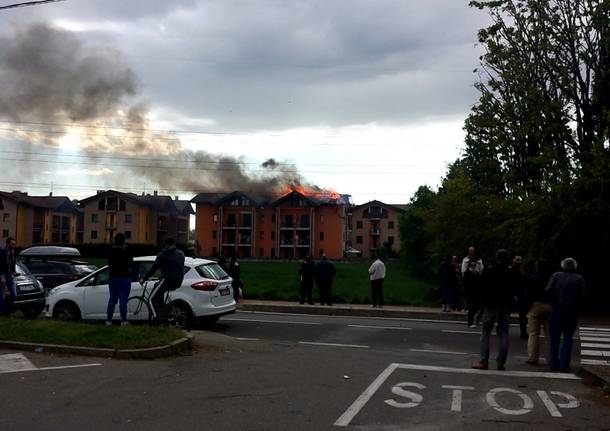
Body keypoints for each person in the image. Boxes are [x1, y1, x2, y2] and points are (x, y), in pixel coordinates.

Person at [472, 249, 517, 371]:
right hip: (505, 305)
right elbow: (514, 288)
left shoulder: (489, 270)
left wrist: (483, 304)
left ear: (496, 257)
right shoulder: (510, 272)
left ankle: (483, 361)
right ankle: (501, 362)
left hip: (490, 304)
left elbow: (481, 287)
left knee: (486, 333)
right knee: (503, 333)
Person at [546, 258, 586, 373]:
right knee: (568, 339)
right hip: (571, 312)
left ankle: (554, 363)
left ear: (563, 265)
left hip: (556, 310)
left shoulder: (556, 275)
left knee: (554, 339)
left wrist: (553, 301)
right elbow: (582, 296)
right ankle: (564, 365)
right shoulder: (579, 278)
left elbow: (548, 290)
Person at [140, 237, 185, 322]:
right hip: (178, 280)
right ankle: (162, 310)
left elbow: (153, 268)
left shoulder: (163, 254)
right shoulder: (181, 253)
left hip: (167, 280)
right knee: (157, 286)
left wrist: (144, 278)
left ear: (165, 245)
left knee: (151, 299)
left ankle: (156, 319)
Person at [525, 258, 552, 365]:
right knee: (549, 334)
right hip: (549, 305)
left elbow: (528, 294)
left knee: (533, 333)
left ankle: (532, 357)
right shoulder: (551, 277)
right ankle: (550, 357)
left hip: (536, 305)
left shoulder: (533, 278)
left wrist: (528, 307)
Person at [106, 233, 134, 326]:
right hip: (125, 278)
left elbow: (109, 264)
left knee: (112, 300)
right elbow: (131, 265)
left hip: (113, 278)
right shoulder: (127, 251)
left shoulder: (110, 251)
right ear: (123, 241)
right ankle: (124, 321)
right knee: (123, 301)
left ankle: (109, 321)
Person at [511, 255, 528, 340]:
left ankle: (523, 332)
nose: (518, 261)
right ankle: (523, 332)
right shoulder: (512, 270)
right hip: (514, 293)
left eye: (519, 259)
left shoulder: (522, 270)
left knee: (522, 315)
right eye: (517, 259)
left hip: (520, 293)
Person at [0, 237, 19, 313]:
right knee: (2, 296)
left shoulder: (12, 252)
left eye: (14, 244)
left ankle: (9, 311)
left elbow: (12, 264)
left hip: (10, 276)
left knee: (14, 295)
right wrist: (1, 276)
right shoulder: (2, 252)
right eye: (12, 244)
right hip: (3, 276)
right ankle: (2, 312)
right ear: (8, 243)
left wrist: (14, 272)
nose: (14, 245)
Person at [463, 259, 482, 327]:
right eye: (472, 265)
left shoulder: (476, 273)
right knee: (471, 307)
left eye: (474, 265)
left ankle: (471, 317)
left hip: (476, 293)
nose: (473, 266)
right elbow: (466, 283)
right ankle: (470, 322)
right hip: (470, 293)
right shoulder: (467, 273)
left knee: (477, 306)